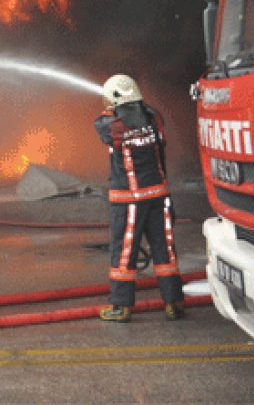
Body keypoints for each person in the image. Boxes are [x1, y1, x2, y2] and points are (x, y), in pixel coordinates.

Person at [93, 74, 185, 322]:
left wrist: (112, 109)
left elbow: (99, 123)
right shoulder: (155, 118)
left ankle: (121, 306)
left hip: (130, 201)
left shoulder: (112, 125)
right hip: (160, 196)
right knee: (165, 250)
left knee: (124, 253)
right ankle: (173, 302)